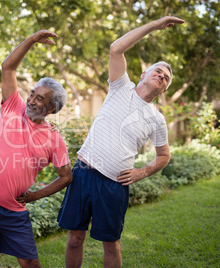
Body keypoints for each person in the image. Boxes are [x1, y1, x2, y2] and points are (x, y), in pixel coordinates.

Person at [57, 16, 185, 268]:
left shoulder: (157, 119)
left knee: (112, 243)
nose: (162, 76)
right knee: (74, 238)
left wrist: (143, 171)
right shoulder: (120, 87)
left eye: (166, 78)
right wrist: (154, 25)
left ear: (165, 89)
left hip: (115, 183)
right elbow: (116, 48)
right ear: (143, 74)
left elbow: (164, 156)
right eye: (158, 71)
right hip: (83, 173)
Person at [0, 30, 73, 268]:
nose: (31, 100)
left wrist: (34, 195)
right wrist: (31, 40)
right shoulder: (13, 107)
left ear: (51, 108)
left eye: (40, 99)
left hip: (12, 208)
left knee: (30, 262)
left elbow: (66, 176)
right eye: (32, 94)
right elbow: (7, 68)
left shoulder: (54, 139)